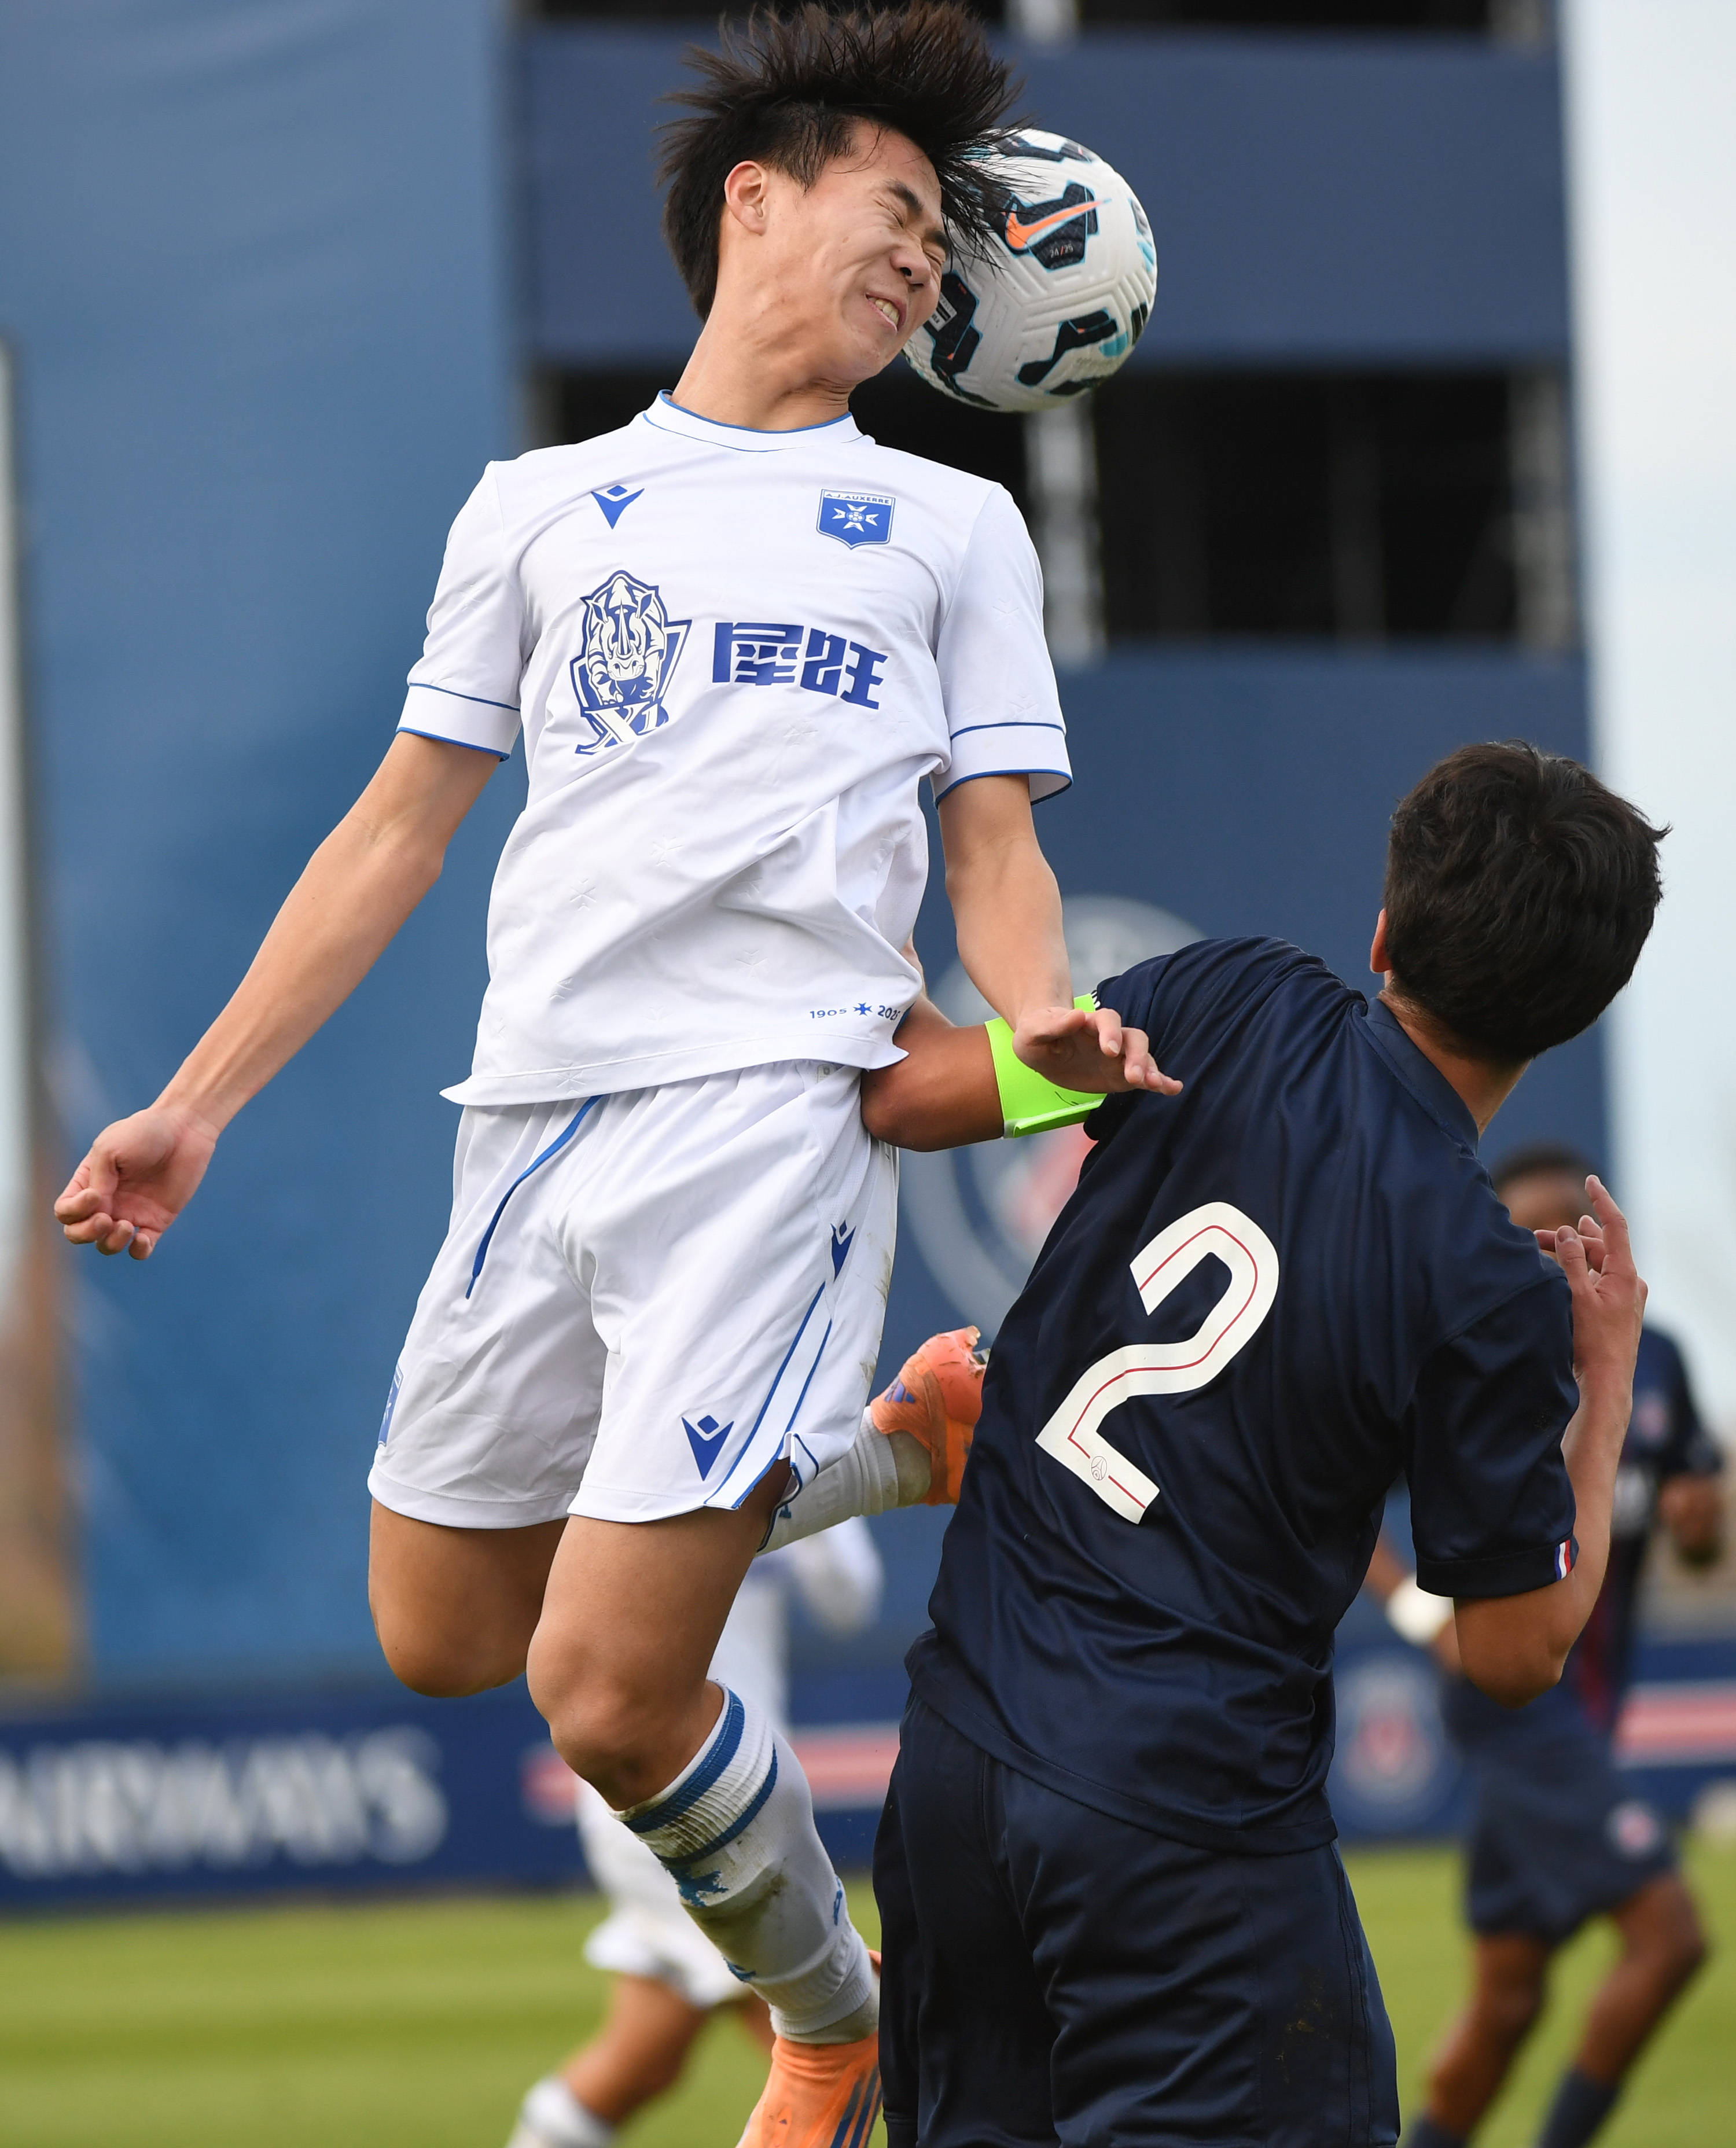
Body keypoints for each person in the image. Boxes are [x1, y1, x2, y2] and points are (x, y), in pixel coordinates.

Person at [49, 12, 1168, 2143]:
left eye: (940, 245)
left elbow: (992, 847)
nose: (920, 261)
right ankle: (888, 1451)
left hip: (772, 1119)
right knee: (440, 1632)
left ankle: (832, 2023)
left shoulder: (948, 526)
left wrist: (1028, 1019)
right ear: (756, 197)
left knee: (607, 1689)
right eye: (897, 208)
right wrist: (193, 1101)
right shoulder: (540, 507)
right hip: (527, 1121)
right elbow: (393, 832)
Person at [849, 741, 1665, 2148]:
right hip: (1182, 1828)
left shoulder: (1231, 994)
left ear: (1385, 935)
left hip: (957, 1764)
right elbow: (1513, 1648)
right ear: (1575, 1013)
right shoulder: (1485, 1286)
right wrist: (1603, 1381)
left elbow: (913, 1097)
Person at [1366, 1141, 1722, 2148]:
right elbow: (1345, 1512)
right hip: (1517, 1704)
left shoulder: (1656, 1358)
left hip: (1591, 1699)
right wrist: (1423, 1615)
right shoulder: (1466, 1364)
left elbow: (1696, 1527)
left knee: (1509, 2000)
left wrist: (1701, 1526)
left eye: (1575, 1232)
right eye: (1530, 1238)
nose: (1559, 1254)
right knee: (1671, 1939)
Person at [510, 1519, 883, 2148]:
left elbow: (849, 1600)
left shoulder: (790, 1463)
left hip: (725, 1790)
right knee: (840, 2033)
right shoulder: (605, 1477)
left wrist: (811, 1483)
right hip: (680, 1798)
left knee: (641, 2062)